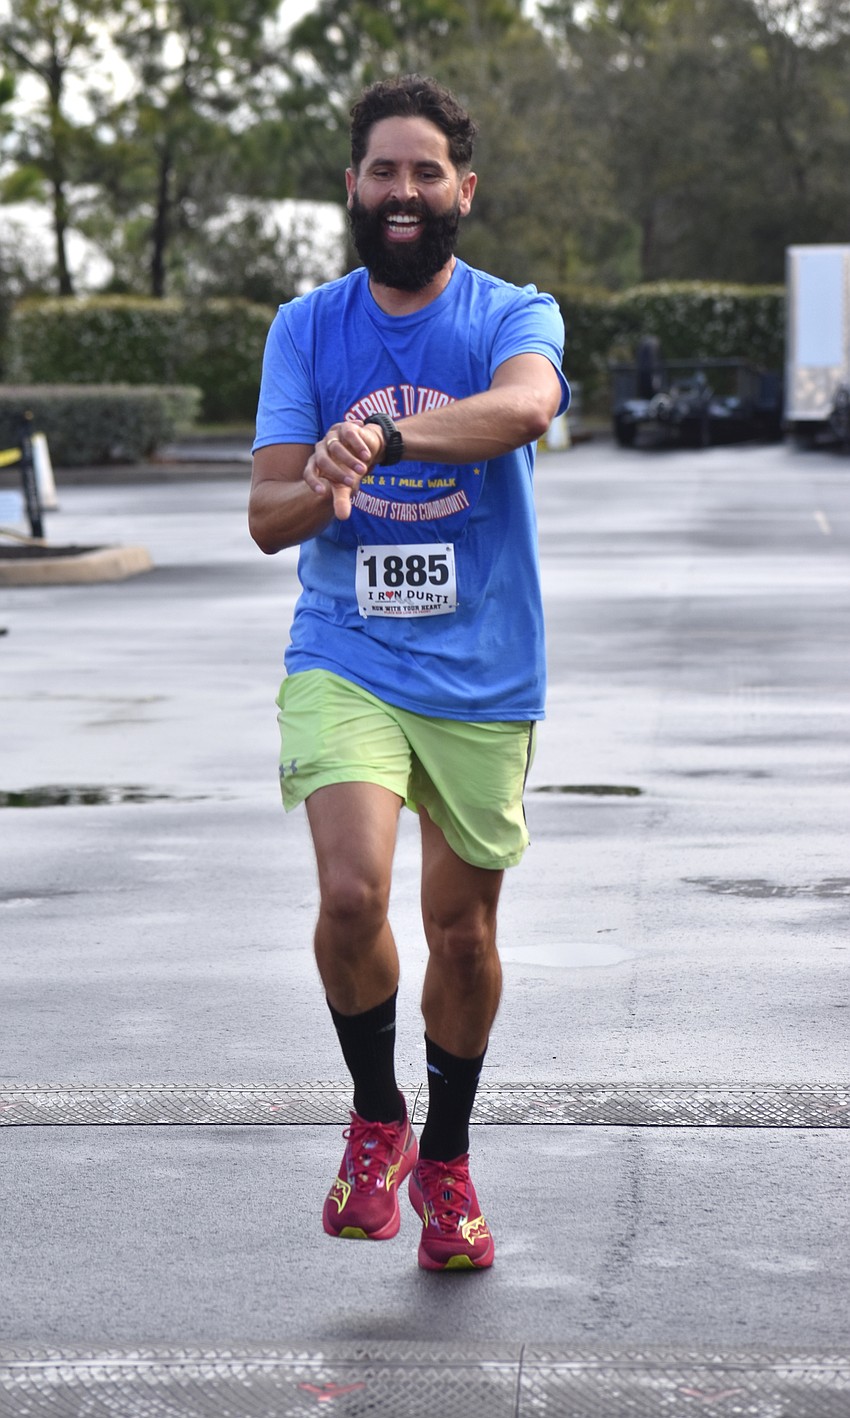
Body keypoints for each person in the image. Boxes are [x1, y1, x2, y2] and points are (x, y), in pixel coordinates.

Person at [249, 73, 568, 1271]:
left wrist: (385, 434)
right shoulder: (308, 327)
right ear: (351, 187)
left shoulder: (508, 312)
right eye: (381, 169)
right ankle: (376, 1117)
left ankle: (446, 1152)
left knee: (465, 934)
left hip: (484, 664)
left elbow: (525, 409)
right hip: (349, 650)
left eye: (425, 170)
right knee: (349, 894)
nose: (402, 190)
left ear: (463, 190)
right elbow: (268, 518)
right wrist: (321, 482)